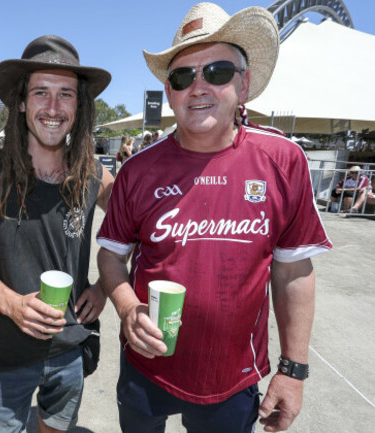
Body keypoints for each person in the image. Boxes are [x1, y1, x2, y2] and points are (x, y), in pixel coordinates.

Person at [96, 4, 333, 433]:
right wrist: (128, 308)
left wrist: (293, 371)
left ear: (243, 84)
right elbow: (111, 256)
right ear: (169, 92)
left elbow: (294, 270)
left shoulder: (284, 160)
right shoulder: (137, 170)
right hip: (145, 367)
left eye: (218, 72)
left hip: (233, 377)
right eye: (183, 77)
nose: (198, 87)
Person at [0, 35, 114, 433]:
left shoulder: (95, 175)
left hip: (70, 347)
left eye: (66, 94)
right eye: (41, 92)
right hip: (6, 351)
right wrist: (11, 304)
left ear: (79, 106)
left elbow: (139, 235)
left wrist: (104, 288)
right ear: (22, 102)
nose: (53, 107)